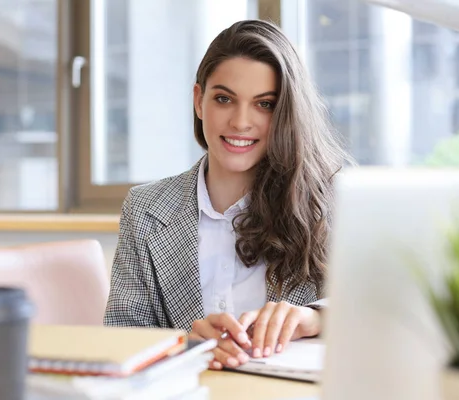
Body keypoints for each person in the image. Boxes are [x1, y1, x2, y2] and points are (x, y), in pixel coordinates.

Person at [104, 19, 351, 370]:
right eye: (224, 99)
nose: (240, 122)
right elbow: (121, 335)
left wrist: (316, 318)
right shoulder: (144, 209)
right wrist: (185, 347)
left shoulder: (331, 203)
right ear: (199, 101)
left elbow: (386, 311)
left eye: (264, 104)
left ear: (286, 113)